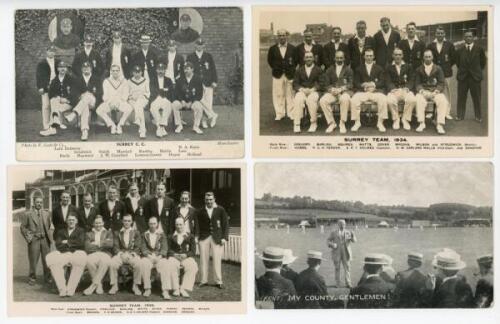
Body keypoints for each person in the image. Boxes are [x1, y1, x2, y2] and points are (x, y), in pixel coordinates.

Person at [45, 214, 87, 297]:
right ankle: (62, 289)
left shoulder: (81, 231)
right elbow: (58, 244)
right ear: (67, 221)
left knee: (79, 262)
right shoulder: (61, 231)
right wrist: (72, 242)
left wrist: (67, 242)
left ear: (76, 221)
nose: (71, 222)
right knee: (53, 261)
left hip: (76, 253)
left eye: (73, 220)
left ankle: (71, 289)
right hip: (64, 253)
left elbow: (81, 243)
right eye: (69, 220)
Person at [350, 48, 388, 132]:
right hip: (363, 91)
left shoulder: (379, 68)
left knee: (383, 99)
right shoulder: (358, 68)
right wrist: (363, 85)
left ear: (374, 57)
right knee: (354, 99)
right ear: (364, 57)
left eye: (371, 56)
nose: (369, 57)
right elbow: (356, 82)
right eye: (367, 56)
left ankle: (380, 122)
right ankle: (357, 122)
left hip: (375, 91)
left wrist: (373, 84)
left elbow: (382, 82)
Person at [196, 192, 229, 289]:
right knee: (203, 260)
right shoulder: (201, 211)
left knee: (217, 259)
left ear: (214, 199)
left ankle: (218, 281)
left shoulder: (220, 209)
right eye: (207, 199)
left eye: (211, 199)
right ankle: (203, 280)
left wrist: (224, 237)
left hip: (217, 237)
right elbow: (197, 225)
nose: (209, 201)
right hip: (204, 237)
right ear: (204, 200)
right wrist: (197, 236)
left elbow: (225, 224)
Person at [65, 61, 102, 141]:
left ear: (91, 69)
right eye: (84, 68)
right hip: (82, 103)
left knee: (88, 95)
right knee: (85, 105)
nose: (86, 69)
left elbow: (100, 93)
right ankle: (84, 131)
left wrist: (94, 100)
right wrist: (79, 96)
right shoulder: (77, 80)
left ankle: (74, 114)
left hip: (93, 102)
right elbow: (73, 93)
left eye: (88, 67)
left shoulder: (97, 79)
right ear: (82, 69)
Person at [20, 197, 53, 285]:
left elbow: (48, 225)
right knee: (33, 260)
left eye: (41, 202)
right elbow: (22, 227)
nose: (39, 204)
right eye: (37, 202)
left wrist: (47, 235)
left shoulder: (46, 214)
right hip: (34, 239)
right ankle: (32, 278)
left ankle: (47, 277)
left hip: (45, 239)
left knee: (47, 260)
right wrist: (29, 236)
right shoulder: (28, 214)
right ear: (34, 203)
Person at [455, 29, 486, 122]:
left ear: (473, 38)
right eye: (466, 36)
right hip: (463, 77)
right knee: (461, 97)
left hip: (475, 78)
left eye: (470, 36)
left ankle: (478, 116)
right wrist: (464, 71)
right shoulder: (459, 50)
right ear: (464, 38)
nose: (468, 38)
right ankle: (460, 115)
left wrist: (475, 71)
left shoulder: (479, 49)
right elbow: (458, 63)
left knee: (476, 98)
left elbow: (482, 63)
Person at [319, 50, 353, 134]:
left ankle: (342, 122)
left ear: (344, 58)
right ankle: (331, 123)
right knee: (323, 100)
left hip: (344, 92)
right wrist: (331, 89)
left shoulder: (348, 69)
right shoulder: (329, 69)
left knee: (345, 99)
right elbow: (326, 84)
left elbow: (351, 84)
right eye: (337, 57)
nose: (339, 59)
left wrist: (341, 89)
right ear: (334, 58)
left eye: (341, 57)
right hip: (333, 92)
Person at [414, 49, 448, 134]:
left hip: (435, 92)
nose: (428, 58)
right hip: (424, 92)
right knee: (419, 99)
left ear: (432, 57)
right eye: (426, 57)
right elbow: (417, 84)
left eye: (429, 56)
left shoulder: (438, 68)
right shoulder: (419, 69)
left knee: (443, 100)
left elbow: (441, 83)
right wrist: (422, 91)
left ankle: (439, 124)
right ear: (423, 58)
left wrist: (436, 92)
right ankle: (421, 123)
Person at [187, 39, 218, 129]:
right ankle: (212, 115)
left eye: (201, 45)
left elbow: (213, 69)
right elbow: (188, 70)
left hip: (208, 83)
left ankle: (204, 121)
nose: (199, 46)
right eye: (198, 45)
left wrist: (214, 81)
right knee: (199, 101)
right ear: (195, 45)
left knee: (208, 102)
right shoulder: (191, 57)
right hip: (196, 83)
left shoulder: (208, 56)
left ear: (204, 45)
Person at [109, 214, 143, 295]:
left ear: (131, 222)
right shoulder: (117, 232)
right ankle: (114, 285)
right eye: (125, 221)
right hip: (121, 255)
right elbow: (115, 246)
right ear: (122, 221)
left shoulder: (136, 232)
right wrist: (121, 254)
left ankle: (135, 286)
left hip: (132, 254)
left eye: (128, 221)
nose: (127, 223)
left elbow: (138, 246)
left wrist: (132, 254)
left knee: (138, 263)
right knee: (112, 263)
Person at [164, 217, 199, 298]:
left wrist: (186, 255)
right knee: (170, 264)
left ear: (184, 225)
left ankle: (184, 288)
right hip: (174, 257)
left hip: (185, 257)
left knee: (193, 266)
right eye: (177, 224)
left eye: (180, 224)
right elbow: (167, 249)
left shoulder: (190, 236)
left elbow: (193, 251)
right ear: (175, 225)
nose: (179, 226)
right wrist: (174, 255)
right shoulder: (170, 236)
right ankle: (175, 288)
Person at [267, 29, 297, 120]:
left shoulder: (293, 48)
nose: (282, 37)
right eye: (280, 35)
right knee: (278, 94)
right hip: (277, 74)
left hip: (290, 74)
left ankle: (291, 113)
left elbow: (295, 61)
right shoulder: (272, 49)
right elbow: (270, 61)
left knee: (290, 94)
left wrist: (290, 69)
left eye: (283, 35)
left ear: (287, 36)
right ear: (277, 37)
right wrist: (277, 68)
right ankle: (280, 113)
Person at [427, 26, 456, 120]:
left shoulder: (449, 45)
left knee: (446, 91)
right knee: (433, 90)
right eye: (438, 33)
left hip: (446, 72)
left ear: (444, 34)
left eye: (441, 33)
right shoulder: (431, 45)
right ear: (435, 34)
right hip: (433, 73)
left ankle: (446, 112)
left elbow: (453, 59)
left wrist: (446, 66)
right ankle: (431, 111)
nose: (440, 35)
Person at [96, 64, 133, 135]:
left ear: (119, 71)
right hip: (109, 102)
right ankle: (112, 125)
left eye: (117, 71)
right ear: (111, 72)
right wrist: (110, 103)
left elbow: (125, 95)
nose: (115, 72)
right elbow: (105, 95)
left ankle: (120, 125)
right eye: (113, 71)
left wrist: (119, 103)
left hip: (120, 102)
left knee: (129, 108)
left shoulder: (124, 81)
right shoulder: (106, 81)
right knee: (99, 110)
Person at [39, 61, 74, 136]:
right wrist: (58, 98)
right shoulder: (54, 80)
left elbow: (75, 93)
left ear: (66, 69)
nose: (62, 69)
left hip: (68, 103)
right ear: (58, 69)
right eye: (60, 67)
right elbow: (51, 93)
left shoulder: (71, 79)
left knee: (55, 106)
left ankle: (54, 123)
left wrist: (67, 99)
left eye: (64, 67)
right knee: (54, 101)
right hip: (58, 103)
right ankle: (54, 125)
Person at [385, 48, 416, 130]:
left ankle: (405, 119)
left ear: (402, 56)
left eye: (399, 55)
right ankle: (396, 119)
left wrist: (407, 88)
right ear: (393, 56)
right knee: (389, 100)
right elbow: (387, 80)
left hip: (405, 89)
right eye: (396, 55)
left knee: (412, 99)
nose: (398, 56)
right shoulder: (388, 67)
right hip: (394, 90)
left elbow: (412, 79)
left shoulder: (408, 66)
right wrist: (392, 88)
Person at [292, 51, 322, 133]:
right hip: (303, 91)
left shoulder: (318, 69)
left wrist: (313, 89)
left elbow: (321, 83)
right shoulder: (299, 70)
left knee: (311, 100)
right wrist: (302, 89)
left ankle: (313, 123)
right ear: (304, 59)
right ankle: (297, 124)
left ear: (313, 59)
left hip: (314, 91)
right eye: (307, 57)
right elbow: (295, 83)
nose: (308, 59)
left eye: (310, 57)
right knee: (298, 98)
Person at [83, 215, 113, 296]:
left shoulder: (108, 233)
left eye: (100, 223)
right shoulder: (88, 234)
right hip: (93, 254)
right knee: (89, 261)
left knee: (105, 261)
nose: (98, 225)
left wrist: (97, 243)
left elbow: (110, 244)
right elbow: (87, 247)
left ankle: (93, 285)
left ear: (103, 223)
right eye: (96, 223)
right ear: (93, 224)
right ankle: (99, 285)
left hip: (105, 254)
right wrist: (103, 243)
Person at [140, 216, 169, 299]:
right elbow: (143, 247)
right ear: (148, 224)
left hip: (158, 256)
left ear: (157, 224)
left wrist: (159, 256)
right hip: (148, 256)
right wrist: (149, 256)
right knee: (144, 263)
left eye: (154, 223)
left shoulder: (162, 234)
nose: (152, 225)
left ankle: (165, 290)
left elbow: (164, 247)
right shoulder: (145, 234)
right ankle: (147, 288)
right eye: (151, 223)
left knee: (164, 264)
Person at [172, 62, 205, 134]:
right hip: (182, 102)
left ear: (192, 69)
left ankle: (196, 126)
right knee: (174, 104)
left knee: (199, 107)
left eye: (187, 69)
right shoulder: (180, 79)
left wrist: (191, 102)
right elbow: (177, 92)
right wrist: (182, 100)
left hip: (192, 102)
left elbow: (200, 94)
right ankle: (179, 125)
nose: (185, 71)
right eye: (184, 69)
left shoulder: (198, 79)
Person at [327, 219, 356, 288]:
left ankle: (348, 283)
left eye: (344, 224)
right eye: (341, 224)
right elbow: (328, 240)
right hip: (337, 252)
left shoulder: (349, 232)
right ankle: (337, 283)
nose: (342, 225)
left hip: (346, 252)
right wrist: (332, 244)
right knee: (337, 268)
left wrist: (353, 235)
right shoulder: (334, 232)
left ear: (345, 225)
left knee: (347, 268)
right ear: (338, 225)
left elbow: (354, 241)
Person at [36, 45, 59, 132]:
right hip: (45, 86)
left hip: (55, 86)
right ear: (46, 51)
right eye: (50, 51)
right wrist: (40, 87)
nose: (51, 52)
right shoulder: (42, 63)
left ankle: (52, 124)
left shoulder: (58, 62)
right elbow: (38, 76)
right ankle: (45, 125)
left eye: (53, 51)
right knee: (46, 106)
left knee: (54, 105)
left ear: (55, 53)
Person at [149, 63, 175, 138]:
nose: (161, 71)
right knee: (153, 107)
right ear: (156, 70)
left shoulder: (168, 80)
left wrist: (161, 91)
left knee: (168, 106)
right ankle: (160, 127)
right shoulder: (153, 79)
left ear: (165, 71)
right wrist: (163, 90)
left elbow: (170, 91)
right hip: (156, 98)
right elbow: (152, 91)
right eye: (159, 70)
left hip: (165, 98)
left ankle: (160, 126)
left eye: (162, 70)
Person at [127, 65, 150, 139]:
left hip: (143, 100)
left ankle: (137, 120)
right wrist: (131, 97)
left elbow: (148, 92)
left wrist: (141, 96)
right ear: (133, 73)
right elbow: (126, 93)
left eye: (139, 72)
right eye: (135, 72)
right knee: (139, 107)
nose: (137, 74)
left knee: (139, 104)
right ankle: (142, 130)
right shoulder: (129, 81)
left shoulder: (145, 80)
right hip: (132, 100)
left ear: (141, 72)